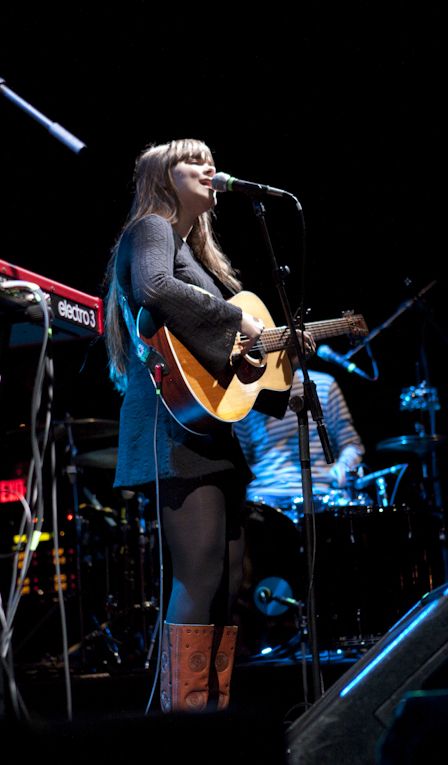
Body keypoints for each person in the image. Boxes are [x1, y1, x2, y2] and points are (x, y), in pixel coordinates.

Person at [103, 138, 315, 713]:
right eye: (191, 161)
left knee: (224, 585)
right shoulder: (152, 227)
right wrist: (238, 316)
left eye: (210, 159)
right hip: (173, 431)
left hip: (208, 435)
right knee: (198, 581)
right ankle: (184, 724)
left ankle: (209, 713)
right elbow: (152, 289)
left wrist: (276, 389)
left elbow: (217, 364)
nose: (207, 166)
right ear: (161, 177)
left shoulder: (195, 254)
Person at [234, 367, 365, 514]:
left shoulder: (324, 385)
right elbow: (241, 462)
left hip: (320, 492)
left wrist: (344, 466)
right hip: (265, 495)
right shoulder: (246, 397)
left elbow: (351, 444)